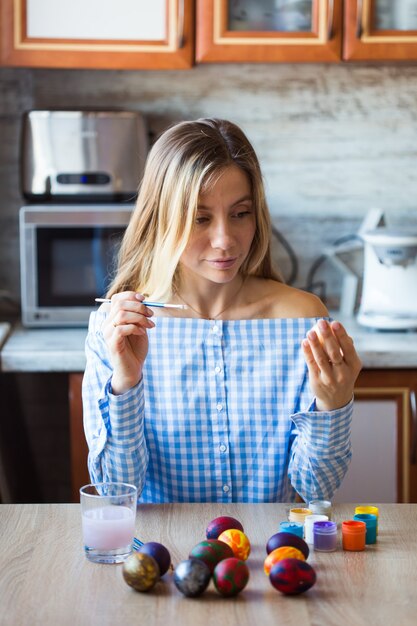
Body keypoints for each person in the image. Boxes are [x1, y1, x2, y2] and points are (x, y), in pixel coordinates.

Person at [82, 118, 362, 504]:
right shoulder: (118, 330)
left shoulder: (303, 320)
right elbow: (114, 491)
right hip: (162, 558)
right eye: (200, 218)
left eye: (240, 213)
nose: (225, 240)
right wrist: (126, 382)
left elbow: (314, 490)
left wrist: (335, 403)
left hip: (270, 557)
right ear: (162, 218)